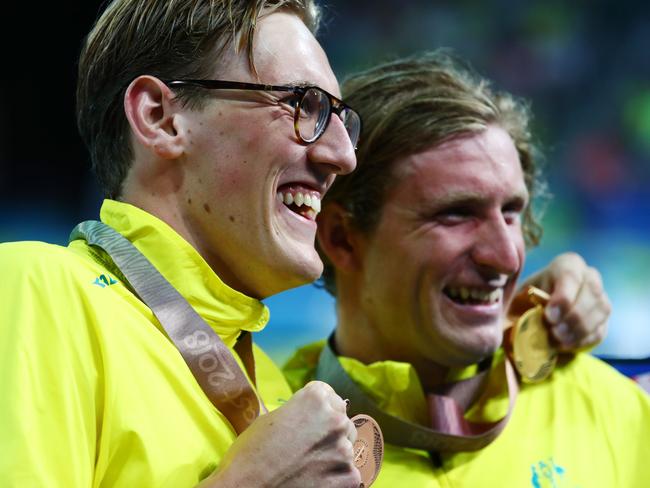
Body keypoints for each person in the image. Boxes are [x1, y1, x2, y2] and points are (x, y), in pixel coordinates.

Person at [0, 1, 612, 485]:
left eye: (340, 120)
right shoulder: (36, 292)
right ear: (162, 117)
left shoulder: (279, 391)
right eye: (301, 105)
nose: (342, 156)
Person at [284, 50, 649, 487]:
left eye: (511, 212)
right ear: (341, 238)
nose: (507, 256)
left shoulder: (616, 412)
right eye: (456, 214)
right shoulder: (269, 436)